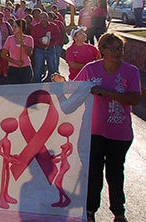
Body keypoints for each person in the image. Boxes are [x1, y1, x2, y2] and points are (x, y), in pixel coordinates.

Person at [52, 33, 141, 222]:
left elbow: (134, 98)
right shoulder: (91, 70)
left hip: (120, 132)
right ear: (103, 50)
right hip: (93, 131)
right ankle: (90, 210)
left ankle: (118, 212)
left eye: (120, 48)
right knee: (93, 172)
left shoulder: (130, 72)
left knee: (115, 172)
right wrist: (62, 85)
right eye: (113, 48)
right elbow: (76, 92)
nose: (118, 52)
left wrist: (107, 93)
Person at [31, 12, 61, 83]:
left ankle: (52, 84)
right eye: (41, 18)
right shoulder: (36, 27)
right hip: (39, 49)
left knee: (52, 68)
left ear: (47, 18)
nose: (43, 19)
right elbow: (33, 37)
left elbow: (58, 36)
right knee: (38, 68)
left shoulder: (53, 26)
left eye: (44, 18)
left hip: (50, 49)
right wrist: (39, 40)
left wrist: (50, 38)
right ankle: (36, 84)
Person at [2, 20, 34, 84]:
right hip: (13, 69)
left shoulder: (29, 39)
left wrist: (24, 46)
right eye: (13, 26)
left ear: (21, 28)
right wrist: (15, 62)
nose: (13, 28)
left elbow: (29, 54)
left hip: (26, 68)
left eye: (15, 26)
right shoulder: (9, 39)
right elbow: (3, 55)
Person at [0, 12, 13, 79]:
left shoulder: (7, 25)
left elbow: (11, 33)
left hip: (6, 43)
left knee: (5, 58)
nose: (0, 18)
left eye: (1, 17)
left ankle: (5, 72)